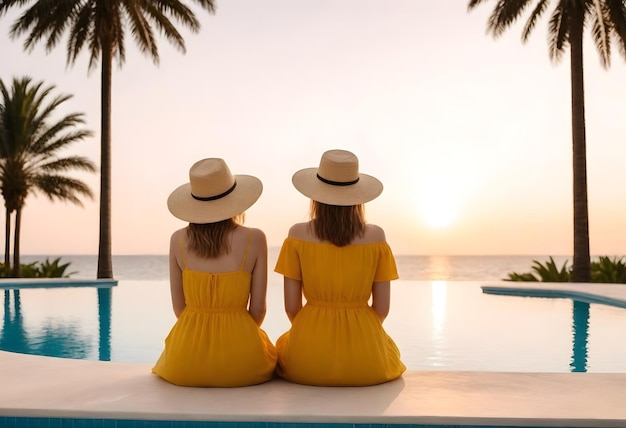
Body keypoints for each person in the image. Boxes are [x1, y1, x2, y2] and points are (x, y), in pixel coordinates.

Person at [274, 149, 406, 386]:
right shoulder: (376, 237)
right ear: (357, 197)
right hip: (367, 358)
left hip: (309, 356)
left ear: (315, 196)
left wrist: (314, 334)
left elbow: (292, 307)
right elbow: (382, 308)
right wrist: (359, 335)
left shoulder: (296, 235)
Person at [152, 157, 277, 387]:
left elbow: (179, 309)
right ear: (234, 199)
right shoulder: (255, 238)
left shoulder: (177, 240)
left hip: (184, 361)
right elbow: (258, 311)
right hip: (242, 362)